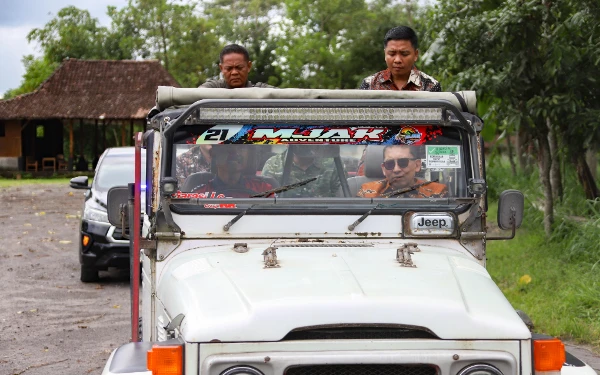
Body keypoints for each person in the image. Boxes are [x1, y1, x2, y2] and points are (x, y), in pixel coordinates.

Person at [359, 26, 441, 92]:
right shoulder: (369, 84)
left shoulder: (430, 86)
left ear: (415, 55)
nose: (397, 60)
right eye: (392, 54)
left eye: (404, 54)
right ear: (385, 54)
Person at [357, 145, 448, 198]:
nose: (396, 169)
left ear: (417, 165)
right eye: (390, 164)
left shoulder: (437, 192)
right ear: (384, 169)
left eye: (403, 162)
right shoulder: (367, 192)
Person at [192, 145, 274, 198]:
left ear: (249, 156)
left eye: (241, 147)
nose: (235, 153)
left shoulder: (264, 190)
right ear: (213, 154)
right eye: (228, 147)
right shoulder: (199, 193)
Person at [261, 145, 341, 197]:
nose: (304, 144)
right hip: (285, 216)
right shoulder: (274, 165)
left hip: (326, 217)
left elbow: (343, 201)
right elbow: (266, 201)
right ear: (286, 143)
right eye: (298, 139)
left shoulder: (332, 165)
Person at [199, 44, 275, 89]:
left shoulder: (260, 89)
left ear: (248, 66)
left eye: (239, 67)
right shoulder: (212, 87)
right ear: (221, 68)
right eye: (229, 68)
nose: (234, 72)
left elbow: (282, 95)